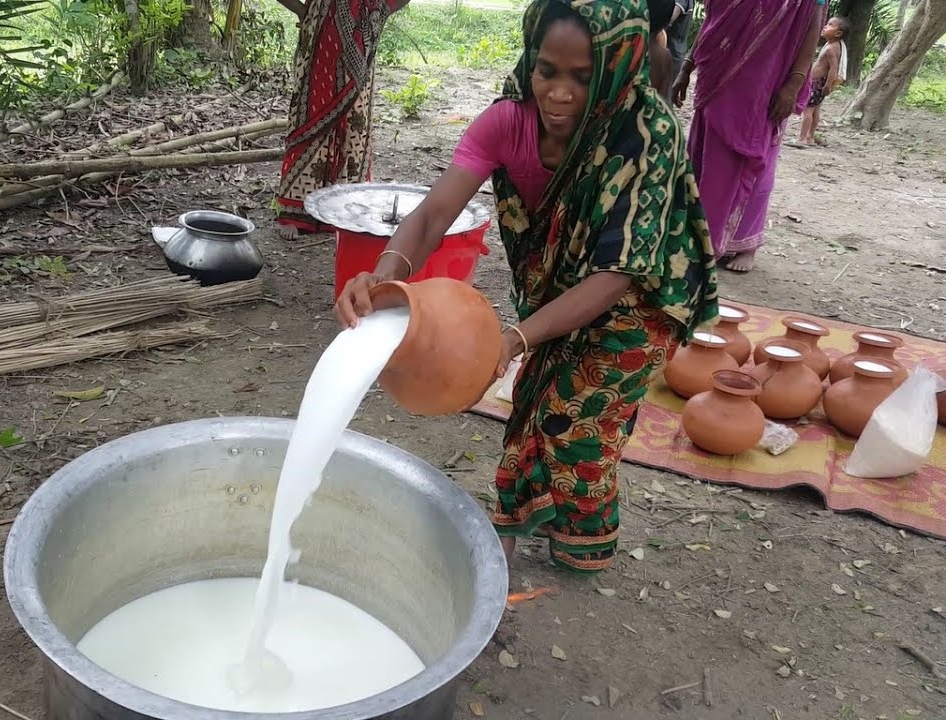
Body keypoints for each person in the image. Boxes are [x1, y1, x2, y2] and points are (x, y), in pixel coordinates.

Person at [334, 0, 719, 573]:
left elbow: (616, 274)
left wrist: (513, 340)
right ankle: (509, 536)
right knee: (533, 404)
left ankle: (584, 544)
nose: (558, 93)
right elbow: (434, 213)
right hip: (559, 288)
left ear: (617, 65)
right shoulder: (507, 121)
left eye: (581, 77)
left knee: (578, 418)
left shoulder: (647, 134)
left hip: (642, 295)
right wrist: (384, 275)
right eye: (546, 70)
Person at [672, 0, 823, 274]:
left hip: (764, 82)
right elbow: (711, 21)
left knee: (751, 155)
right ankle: (698, 237)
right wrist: (686, 67)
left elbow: (812, 25)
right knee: (704, 158)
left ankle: (743, 244)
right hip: (716, 77)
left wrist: (794, 83)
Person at [274, 0, 410, 233]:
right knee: (311, 116)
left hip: (363, 35)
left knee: (354, 121)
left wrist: (382, 11)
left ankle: (346, 205)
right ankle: (294, 211)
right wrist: (301, 10)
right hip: (321, 32)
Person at [798, 16, 851, 146]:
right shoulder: (833, 45)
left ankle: (802, 138)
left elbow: (834, 68)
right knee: (815, 110)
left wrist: (828, 85)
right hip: (819, 83)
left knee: (808, 110)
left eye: (830, 25)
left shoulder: (831, 48)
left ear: (838, 33)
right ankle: (810, 137)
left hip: (818, 84)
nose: (825, 26)